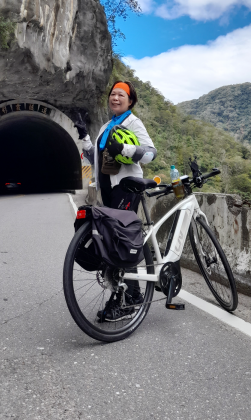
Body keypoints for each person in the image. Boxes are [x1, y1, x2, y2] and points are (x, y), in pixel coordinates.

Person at [74, 80, 157, 321]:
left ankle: (129, 299)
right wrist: (84, 136)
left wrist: (127, 149)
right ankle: (130, 294)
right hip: (107, 191)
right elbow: (95, 159)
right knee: (115, 241)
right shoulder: (106, 126)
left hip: (126, 188)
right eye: (113, 94)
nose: (115, 98)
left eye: (121, 95)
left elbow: (151, 152)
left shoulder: (133, 123)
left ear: (130, 101)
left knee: (122, 241)